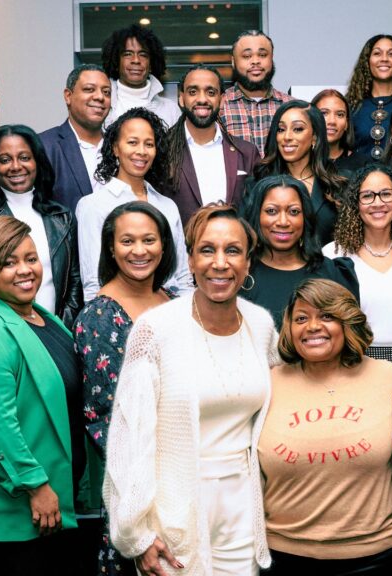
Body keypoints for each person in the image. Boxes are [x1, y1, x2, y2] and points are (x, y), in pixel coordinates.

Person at [104, 204, 278, 575]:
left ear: (249, 262)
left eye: (232, 250)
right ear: (190, 260)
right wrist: (137, 534)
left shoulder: (262, 326)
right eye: (206, 250)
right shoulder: (155, 329)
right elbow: (129, 437)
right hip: (174, 511)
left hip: (244, 510)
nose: (220, 263)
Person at [0, 216, 83, 575]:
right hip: (20, 507)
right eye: (8, 263)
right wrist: (35, 486)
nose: (24, 270)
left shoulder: (47, 319)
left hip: (58, 493)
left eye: (30, 258)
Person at [259, 279, 392, 574]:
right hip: (286, 555)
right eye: (301, 318)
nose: (312, 326)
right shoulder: (267, 383)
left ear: (347, 322)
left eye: (326, 316)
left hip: (379, 555)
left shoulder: (390, 376)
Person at [76, 201, 178, 574]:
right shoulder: (100, 317)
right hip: (136, 487)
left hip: (185, 472)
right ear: (110, 248)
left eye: (149, 240)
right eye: (127, 241)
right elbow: (105, 423)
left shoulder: (175, 302)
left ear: (164, 246)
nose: (139, 251)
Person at [0, 124, 83, 327]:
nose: (16, 166)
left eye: (25, 157)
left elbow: (74, 281)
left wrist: (59, 327)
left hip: (56, 331)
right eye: (5, 160)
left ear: (37, 162)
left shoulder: (62, 216)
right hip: (5, 334)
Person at [76, 107, 192, 300]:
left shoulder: (167, 206)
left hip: (170, 313)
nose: (141, 151)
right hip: (120, 316)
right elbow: (93, 282)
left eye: (149, 144)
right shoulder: (93, 206)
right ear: (115, 148)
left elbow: (182, 276)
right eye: (132, 142)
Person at [323, 164, 392, 365]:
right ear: (355, 203)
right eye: (367, 196)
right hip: (352, 362)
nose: (377, 203)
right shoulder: (333, 254)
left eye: (386, 194)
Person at [242, 175, 358, 327]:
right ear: (257, 216)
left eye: (294, 212)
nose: (283, 222)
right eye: (271, 211)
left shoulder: (333, 273)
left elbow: (351, 339)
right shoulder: (239, 275)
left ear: (306, 217)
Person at [163, 64, 261, 224]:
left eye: (210, 92)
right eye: (193, 92)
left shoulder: (246, 153)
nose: (202, 99)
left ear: (222, 100)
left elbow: (257, 211)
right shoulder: (162, 151)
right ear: (181, 98)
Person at [251, 101, 348, 245]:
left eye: (297, 129)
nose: (287, 137)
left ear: (314, 136)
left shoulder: (340, 183)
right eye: (281, 129)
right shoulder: (256, 183)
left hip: (327, 266)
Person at [40, 64, 113, 212]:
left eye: (106, 92)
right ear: (68, 96)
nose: (100, 97)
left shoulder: (118, 147)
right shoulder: (44, 146)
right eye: (89, 89)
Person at [219, 30, 293, 154]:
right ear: (233, 61)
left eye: (263, 55)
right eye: (247, 56)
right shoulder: (219, 107)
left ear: (272, 59)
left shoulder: (291, 106)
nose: (255, 61)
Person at [101, 25, 180, 129]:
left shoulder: (170, 110)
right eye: (128, 54)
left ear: (151, 64)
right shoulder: (100, 104)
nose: (136, 60)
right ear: (116, 61)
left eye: (143, 54)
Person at [311, 89, 365, 175]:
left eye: (340, 115)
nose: (332, 121)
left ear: (346, 124)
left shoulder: (363, 166)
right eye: (324, 113)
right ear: (311, 119)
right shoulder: (300, 162)